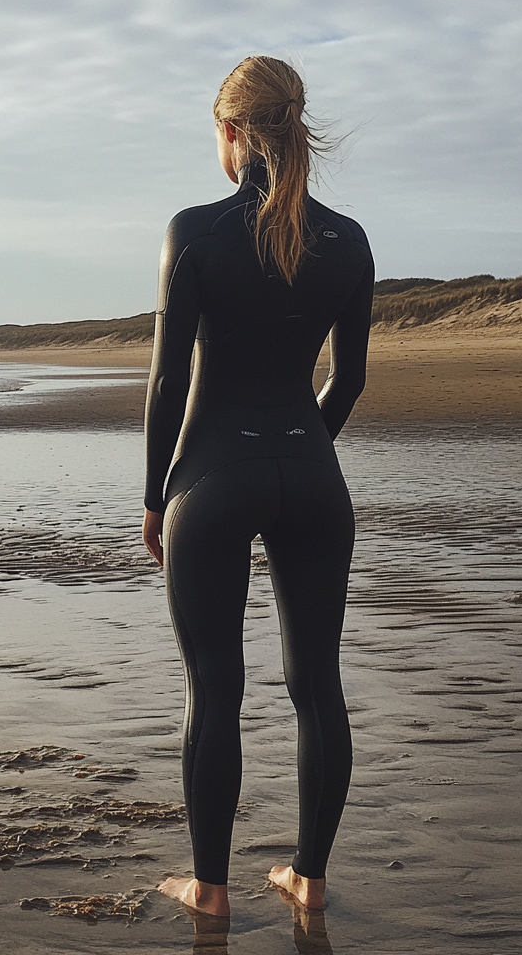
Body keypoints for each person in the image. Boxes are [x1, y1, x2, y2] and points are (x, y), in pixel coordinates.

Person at [143, 56, 374, 917]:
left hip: (212, 476)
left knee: (216, 689)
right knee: (319, 683)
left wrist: (155, 493)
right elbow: (346, 383)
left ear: (233, 134)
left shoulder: (194, 232)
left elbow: (169, 382)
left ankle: (209, 889)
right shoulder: (348, 240)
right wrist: (303, 453)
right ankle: (307, 878)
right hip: (314, 477)